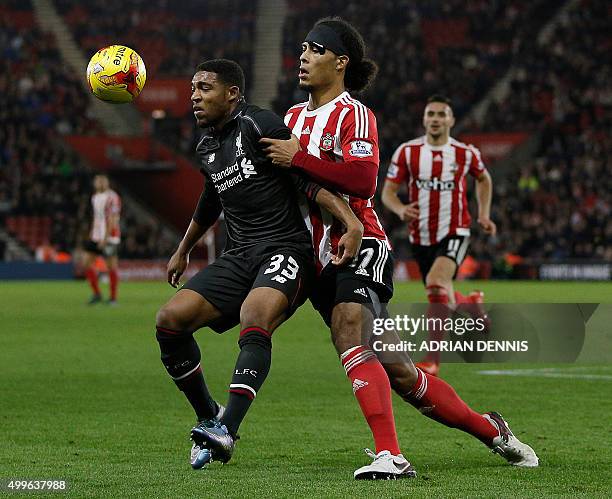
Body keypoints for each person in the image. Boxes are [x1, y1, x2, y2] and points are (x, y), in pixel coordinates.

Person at [262, 17, 538, 475]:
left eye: (315, 50)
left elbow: (364, 179)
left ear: (341, 62)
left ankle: (391, 454)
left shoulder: (355, 113)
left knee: (349, 329)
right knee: (402, 372)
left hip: (361, 241)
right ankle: (493, 432)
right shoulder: (291, 117)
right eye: (303, 49)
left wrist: (301, 158)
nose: (304, 57)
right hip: (316, 255)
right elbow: (293, 183)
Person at [154, 59, 364, 471]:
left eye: (205, 88)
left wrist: (349, 220)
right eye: (192, 89)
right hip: (239, 254)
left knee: (255, 315)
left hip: (286, 249)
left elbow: (305, 177)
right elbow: (211, 199)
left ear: (232, 93)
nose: (194, 96)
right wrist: (183, 249)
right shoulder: (207, 146)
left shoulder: (259, 124)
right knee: (169, 321)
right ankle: (207, 415)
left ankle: (227, 430)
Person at [382, 94, 495, 376]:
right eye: (430, 114)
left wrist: (483, 214)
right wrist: (400, 209)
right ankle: (471, 303)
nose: (435, 119)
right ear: (424, 120)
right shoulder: (407, 152)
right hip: (420, 235)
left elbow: (484, 179)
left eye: (441, 114)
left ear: (451, 120)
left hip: (455, 229)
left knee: (435, 282)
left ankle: (432, 360)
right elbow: (388, 192)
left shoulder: (464, 153)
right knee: (441, 295)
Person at [83, 174, 121, 305]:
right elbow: (97, 218)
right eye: (98, 181)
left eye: (103, 181)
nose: (100, 183)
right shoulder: (95, 197)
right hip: (96, 236)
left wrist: (105, 239)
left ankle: (113, 298)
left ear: (107, 183)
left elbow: (112, 219)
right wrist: (92, 234)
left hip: (110, 237)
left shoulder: (112, 197)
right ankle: (97, 293)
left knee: (111, 266)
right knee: (86, 263)